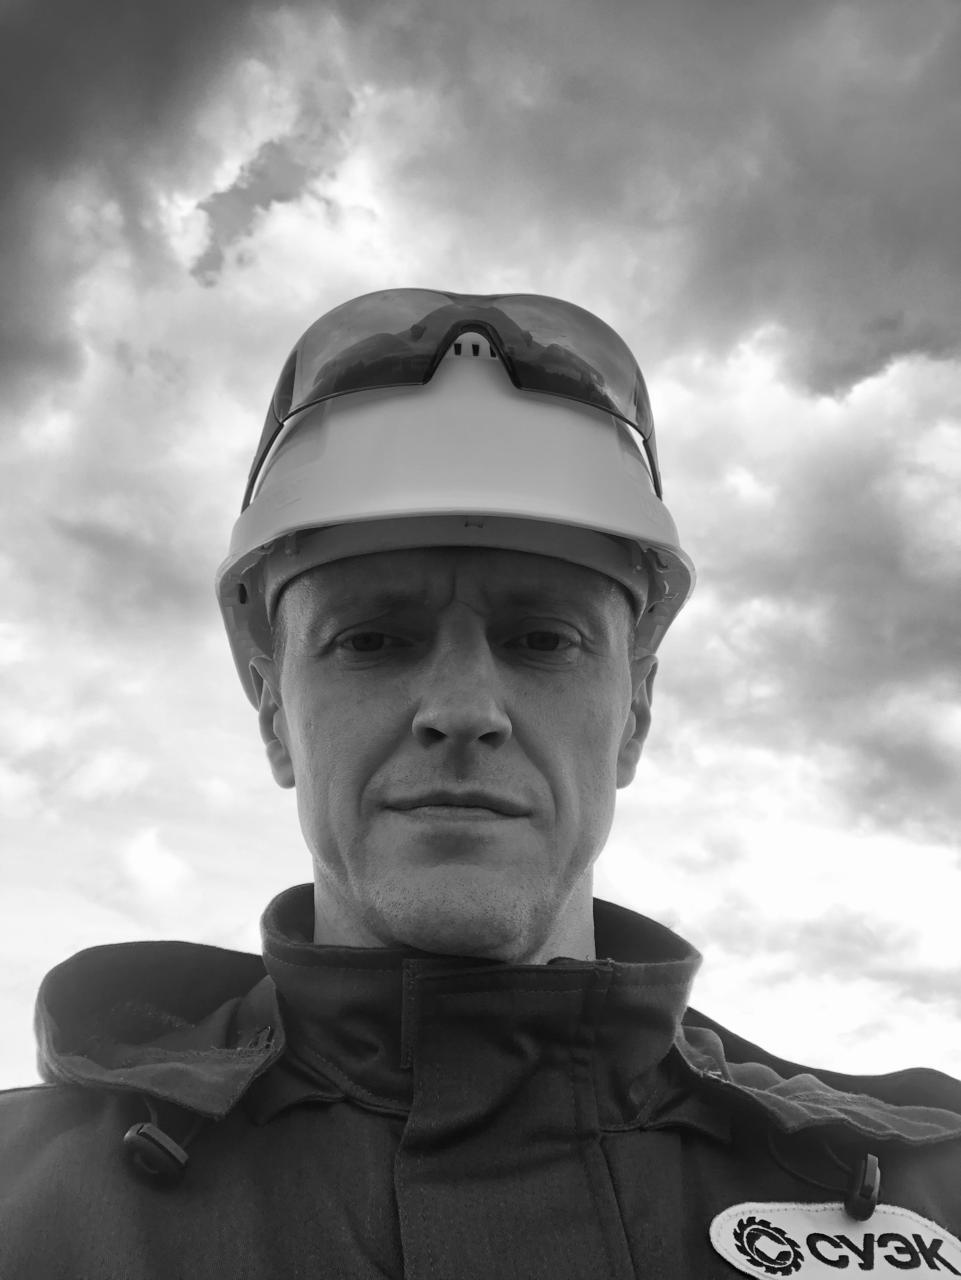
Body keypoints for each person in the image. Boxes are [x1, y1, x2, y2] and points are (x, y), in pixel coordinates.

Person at [1, 290, 959, 1279]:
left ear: (634, 714)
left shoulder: (925, 1199)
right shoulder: (23, 1210)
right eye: (372, 639)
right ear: (272, 707)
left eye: (542, 638)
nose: (463, 708)